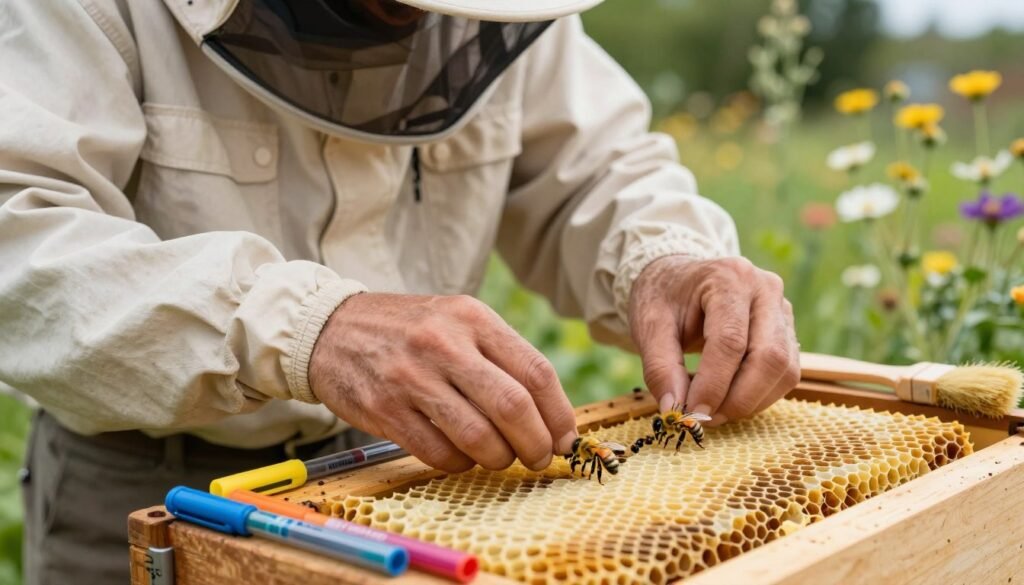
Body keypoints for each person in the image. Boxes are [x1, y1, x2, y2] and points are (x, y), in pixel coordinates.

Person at [0, 0, 799, 582]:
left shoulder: (507, 16)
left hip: (413, 483)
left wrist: (667, 258)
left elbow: (598, 167)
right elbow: (21, 239)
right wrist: (310, 327)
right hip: (150, 485)